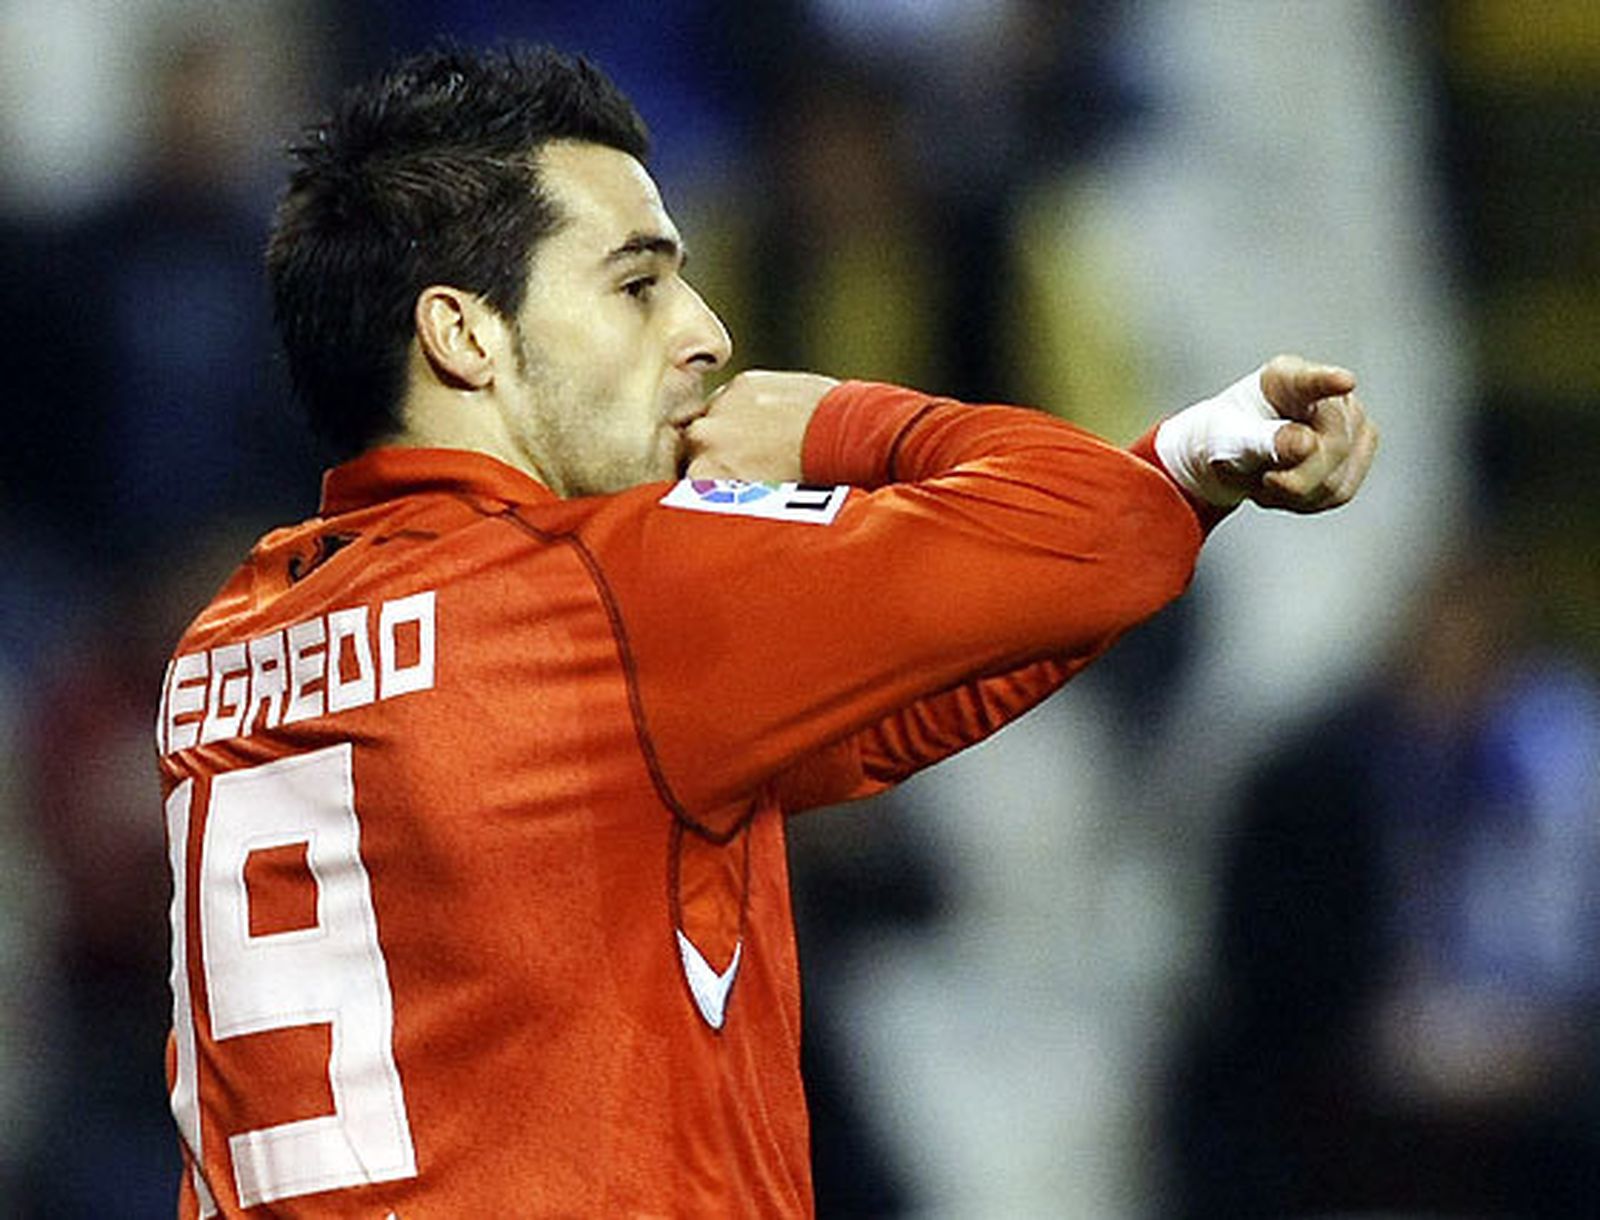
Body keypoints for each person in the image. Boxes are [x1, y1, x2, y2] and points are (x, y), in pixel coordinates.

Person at [155, 44, 1377, 1218]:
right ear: (463, 334)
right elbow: (1093, 532)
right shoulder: (613, 592)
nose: (706, 333)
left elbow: (898, 695)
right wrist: (832, 424)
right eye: (636, 285)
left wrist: (1194, 460)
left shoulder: (221, 647)